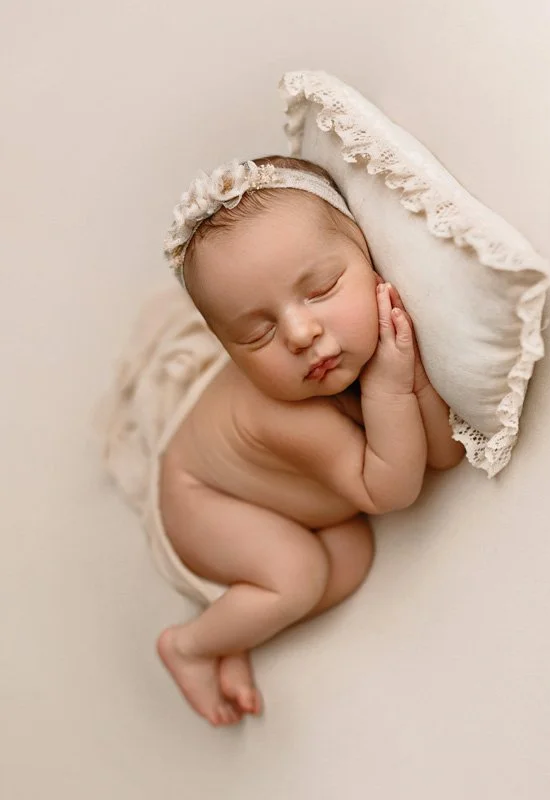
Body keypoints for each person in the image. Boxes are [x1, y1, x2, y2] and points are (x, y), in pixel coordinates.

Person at [158, 155, 465, 726]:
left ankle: (242, 624)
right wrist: (394, 388)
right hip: (204, 500)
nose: (301, 335)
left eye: (321, 289)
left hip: (294, 501)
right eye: (259, 333)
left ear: (369, 257)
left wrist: (414, 377)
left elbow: (444, 454)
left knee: (350, 557)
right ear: (230, 351)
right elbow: (390, 492)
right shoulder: (287, 413)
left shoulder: (351, 354)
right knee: (297, 574)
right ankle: (191, 645)